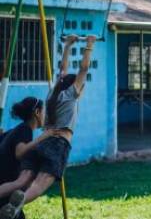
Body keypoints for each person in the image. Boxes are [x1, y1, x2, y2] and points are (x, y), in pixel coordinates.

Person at [0, 35, 96, 219]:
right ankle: (17, 205)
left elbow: (62, 71)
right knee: (40, 183)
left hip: (42, 142)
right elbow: (84, 68)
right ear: (77, 88)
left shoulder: (52, 94)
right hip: (59, 143)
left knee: (24, 178)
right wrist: (89, 44)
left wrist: (68, 45)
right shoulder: (70, 96)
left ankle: (13, 197)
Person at [0, 98, 60, 219]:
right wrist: (43, 137)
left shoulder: (16, 130)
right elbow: (19, 152)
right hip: (4, 188)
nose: (45, 116)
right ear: (37, 112)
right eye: (44, 112)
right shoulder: (25, 129)